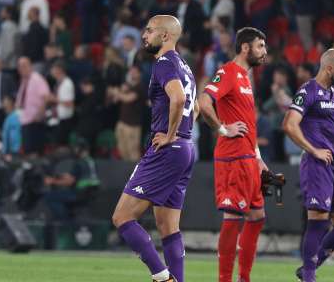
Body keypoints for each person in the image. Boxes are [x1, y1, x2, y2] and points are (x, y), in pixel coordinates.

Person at [111, 15, 199, 282]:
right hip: (186, 148)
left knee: (122, 217)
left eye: (149, 31)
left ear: (165, 36)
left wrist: (170, 135)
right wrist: (181, 134)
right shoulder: (185, 66)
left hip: (169, 149)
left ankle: (163, 278)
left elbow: (179, 98)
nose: (144, 35)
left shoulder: (163, 63)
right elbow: (194, 107)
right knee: (168, 226)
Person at [283, 48, 334, 282]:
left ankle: (308, 266)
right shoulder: (308, 91)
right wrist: (313, 149)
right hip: (317, 165)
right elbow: (289, 124)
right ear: (329, 68)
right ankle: (309, 276)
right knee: (318, 220)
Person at [199, 27, 269, 282]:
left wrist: (258, 156)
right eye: (260, 46)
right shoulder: (227, 72)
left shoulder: (246, 79)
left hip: (248, 158)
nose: (265, 52)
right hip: (232, 158)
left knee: (257, 216)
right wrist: (222, 129)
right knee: (234, 216)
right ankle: (225, 279)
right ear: (245, 48)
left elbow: (248, 122)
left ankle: (244, 278)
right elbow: (204, 102)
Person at [43, 139, 100, 222]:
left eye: (76, 148)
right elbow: (77, 175)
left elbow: (70, 182)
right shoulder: (91, 161)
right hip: (91, 193)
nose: (75, 151)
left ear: (80, 149)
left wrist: (52, 181)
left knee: (50, 197)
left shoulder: (79, 162)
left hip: (80, 193)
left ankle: (65, 222)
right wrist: (60, 176)